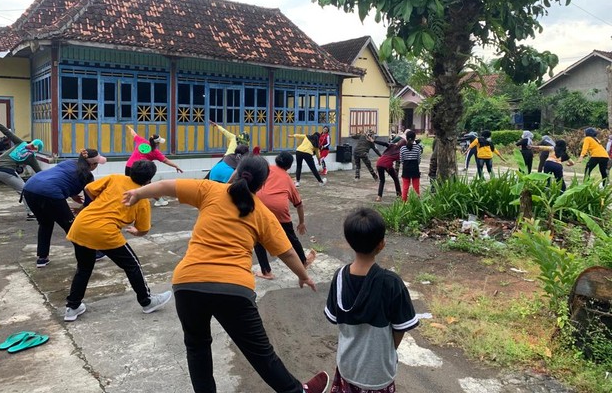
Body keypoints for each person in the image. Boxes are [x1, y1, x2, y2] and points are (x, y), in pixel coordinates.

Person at [121, 155, 330, 393]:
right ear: (261, 185)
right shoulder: (262, 213)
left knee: (197, 347)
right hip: (233, 288)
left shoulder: (209, 189)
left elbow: (166, 186)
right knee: (260, 352)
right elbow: (288, 253)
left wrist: (139, 194)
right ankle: (297, 392)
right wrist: (303, 275)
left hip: (187, 283)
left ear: (236, 172)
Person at [64, 160, 172, 322]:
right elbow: (143, 229)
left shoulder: (114, 178)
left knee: (84, 267)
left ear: (130, 171)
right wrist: (136, 232)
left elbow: (88, 188)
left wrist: (99, 203)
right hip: (104, 232)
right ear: (149, 180)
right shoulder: (142, 199)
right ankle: (147, 301)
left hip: (81, 225)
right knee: (132, 265)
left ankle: (72, 307)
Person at [325, 207, 419, 393]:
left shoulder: (339, 278)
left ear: (349, 242)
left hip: (348, 367)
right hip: (378, 374)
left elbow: (335, 319)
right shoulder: (392, 283)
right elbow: (400, 329)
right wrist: (386, 351)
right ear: (381, 244)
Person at [23, 148, 106, 268]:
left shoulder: (69, 162)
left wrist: (73, 195)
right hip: (50, 193)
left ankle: (42, 258)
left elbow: (60, 177)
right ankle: (92, 253)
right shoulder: (87, 175)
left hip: (30, 188)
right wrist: (80, 208)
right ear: (93, 164)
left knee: (45, 223)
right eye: (97, 164)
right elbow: (89, 202)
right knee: (72, 227)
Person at [254, 151, 315, 279]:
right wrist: (301, 223)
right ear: (288, 166)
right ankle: (303, 262)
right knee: (291, 237)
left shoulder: (266, 169)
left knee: (258, 238)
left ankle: (266, 272)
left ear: (276, 160)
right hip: (279, 209)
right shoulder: (287, 179)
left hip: (258, 205)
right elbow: (299, 204)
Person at [0, 115, 43, 225]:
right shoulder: (31, 157)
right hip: (6, 171)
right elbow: (40, 173)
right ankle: (31, 213)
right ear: (37, 149)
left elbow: (7, 132)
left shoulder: (21, 143)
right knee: (24, 190)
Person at [125, 124, 183, 206]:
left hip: (129, 166)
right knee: (148, 187)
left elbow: (134, 134)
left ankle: (127, 201)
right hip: (141, 169)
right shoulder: (155, 152)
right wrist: (176, 166)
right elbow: (165, 160)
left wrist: (130, 128)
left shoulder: (142, 141)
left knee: (128, 184)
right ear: (157, 143)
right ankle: (160, 200)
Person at [372, 137, 402, 202]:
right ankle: (399, 195)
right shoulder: (400, 152)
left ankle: (379, 197)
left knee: (382, 180)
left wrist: (374, 141)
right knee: (396, 179)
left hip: (379, 162)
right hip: (387, 164)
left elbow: (384, 143)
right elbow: (400, 161)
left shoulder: (392, 145)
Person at [399, 130, 424, 201]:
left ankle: (404, 203)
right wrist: (415, 164)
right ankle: (416, 202)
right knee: (416, 187)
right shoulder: (417, 148)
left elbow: (401, 160)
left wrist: (406, 164)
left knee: (405, 187)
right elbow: (419, 159)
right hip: (415, 168)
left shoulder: (402, 148)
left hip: (406, 169)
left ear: (406, 138)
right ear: (414, 138)